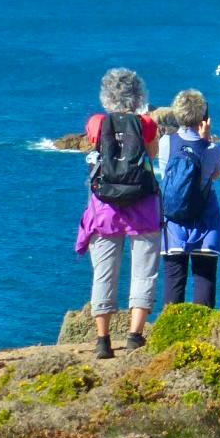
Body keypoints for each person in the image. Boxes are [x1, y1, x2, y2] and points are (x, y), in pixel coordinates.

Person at [75, 68, 161, 359]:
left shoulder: (96, 123)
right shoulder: (147, 123)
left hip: (105, 207)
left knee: (104, 274)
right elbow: (152, 155)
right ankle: (135, 335)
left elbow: (94, 149)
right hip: (143, 205)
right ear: (138, 95)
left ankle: (102, 340)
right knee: (144, 271)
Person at [157, 89, 220, 307]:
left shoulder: (166, 142)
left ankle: (169, 331)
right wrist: (205, 140)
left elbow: (166, 173)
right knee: (204, 278)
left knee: (174, 278)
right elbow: (215, 175)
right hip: (205, 221)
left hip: (174, 221)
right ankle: (202, 333)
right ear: (203, 118)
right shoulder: (212, 149)